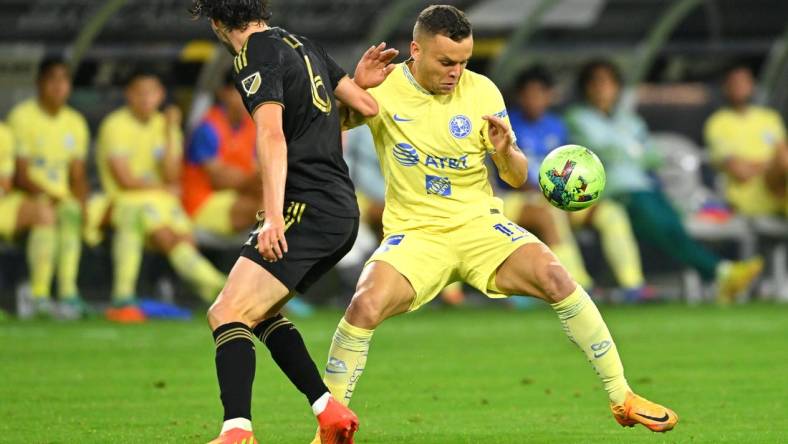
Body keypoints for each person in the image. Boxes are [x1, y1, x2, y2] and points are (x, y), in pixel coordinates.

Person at [317, 5, 678, 441]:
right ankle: (330, 429)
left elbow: (515, 176)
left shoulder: (483, 91)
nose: (456, 72)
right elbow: (322, 129)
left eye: (464, 62)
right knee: (364, 305)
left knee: (554, 276)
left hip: (480, 227)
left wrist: (506, 151)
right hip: (416, 235)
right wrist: (354, 88)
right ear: (415, 50)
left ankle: (623, 397)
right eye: (446, 62)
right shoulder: (386, 86)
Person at [190, 1, 396, 442]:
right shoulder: (303, 43)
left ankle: (237, 431)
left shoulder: (252, 55)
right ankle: (329, 410)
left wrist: (273, 217)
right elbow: (364, 105)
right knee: (259, 313)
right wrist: (360, 80)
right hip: (340, 208)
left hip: (307, 206)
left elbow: (271, 135)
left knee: (227, 312)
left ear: (216, 24)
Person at [564, 59, 764, 304]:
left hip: (645, 188)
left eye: (608, 83)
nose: (602, 89)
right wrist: (631, 149)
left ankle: (719, 274)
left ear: (617, 87)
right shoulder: (577, 118)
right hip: (615, 192)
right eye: (596, 83)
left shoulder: (628, 119)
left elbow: (652, 156)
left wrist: (628, 150)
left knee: (673, 227)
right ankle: (719, 272)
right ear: (586, 88)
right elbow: (602, 149)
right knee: (667, 229)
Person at [505, 66, 648, 299]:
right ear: (519, 97)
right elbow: (505, 169)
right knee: (550, 213)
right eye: (528, 94)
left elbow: (569, 166)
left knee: (611, 213)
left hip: (556, 196)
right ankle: (579, 285)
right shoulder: (507, 124)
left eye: (539, 94)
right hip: (520, 197)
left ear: (549, 96)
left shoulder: (558, 127)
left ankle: (633, 285)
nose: (534, 100)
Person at [96, 70, 227, 322]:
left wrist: (169, 131)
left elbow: (172, 175)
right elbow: (124, 180)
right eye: (139, 92)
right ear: (129, 95)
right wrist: (163, 189)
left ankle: (222, 293)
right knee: (159, 232)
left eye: (151, 93)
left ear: (160, 95)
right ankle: (123, 297)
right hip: (123, 200)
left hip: (160, 201)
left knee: (183, 239)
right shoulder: (115, 124)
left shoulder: (165, 126)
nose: (146, 99)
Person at [7, 58, 90, 319]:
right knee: (47, 212)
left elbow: (77, 175)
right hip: (27, 198)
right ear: (39, 83)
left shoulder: (75, 122)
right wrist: (51, 195)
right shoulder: (21, 117)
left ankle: (67, 294)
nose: (58, 86)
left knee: (72, 212)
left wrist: (81, 203)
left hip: (59, 200)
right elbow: (19, 175)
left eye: (64, 80)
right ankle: (39, 295)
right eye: (52, 79)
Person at [183, 71, 261, 237]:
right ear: (223, 93)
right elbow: (219, 180)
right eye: (242, 92)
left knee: (282, 203)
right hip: (202, 203)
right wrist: (260, 178)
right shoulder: (208, 128)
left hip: (237, 196)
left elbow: (255, 168)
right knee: (268, 209)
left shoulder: (251, 125)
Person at [704, 64, 788, 217]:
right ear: (726, 88)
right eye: (735, 83)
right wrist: (770, 163)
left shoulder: (770, 118)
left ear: (752, 86)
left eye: (745, 82)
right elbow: (740, 171)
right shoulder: (718, 123)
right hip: (749, 196)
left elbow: (782, 155)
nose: (740, 87)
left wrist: (753, 163)